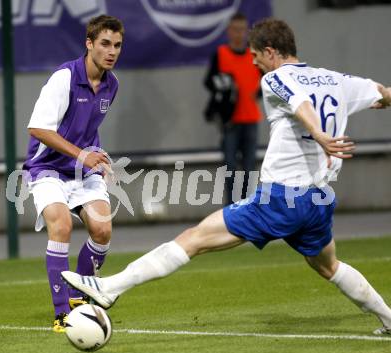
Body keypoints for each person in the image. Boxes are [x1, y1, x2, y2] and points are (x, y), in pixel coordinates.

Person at [62, 18, 391, 335]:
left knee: (194, 239)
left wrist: (317, 132)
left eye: (256, 56)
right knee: (328, 266)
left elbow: (300, 101)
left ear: (271, 51)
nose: (254, 63)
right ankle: (388, 318)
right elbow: (383, 93)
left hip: (281, 199)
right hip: (319, 200)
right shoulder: (337, 80)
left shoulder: (276, 77)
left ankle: (109, 287)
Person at [22, 15, 124, 332]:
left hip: (83, 170)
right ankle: (61, 312)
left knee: (102, 230)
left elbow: (86, 129)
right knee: (62, 224)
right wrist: (81, 153)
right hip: (47, 168)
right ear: (89, 44)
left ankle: (78, 295)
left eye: (117, 45)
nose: (112, 51)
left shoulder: (112, 84)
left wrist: (99, 156)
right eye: (105, 44)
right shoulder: (63, 78)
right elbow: (37, 128)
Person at [204, 13, 263, 204]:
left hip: (251, 119)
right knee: (230, 168)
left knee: (248, 170)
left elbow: (266, 80)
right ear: (229, 31)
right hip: (230, 121)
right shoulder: (221, 54)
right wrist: (225, 89)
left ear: (247, 32)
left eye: (242, 29)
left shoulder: (254, 55)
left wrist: (259, 93)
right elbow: (209, 81)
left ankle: (247, 208)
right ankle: (231, 210)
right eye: (235, 29)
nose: (239, 34)